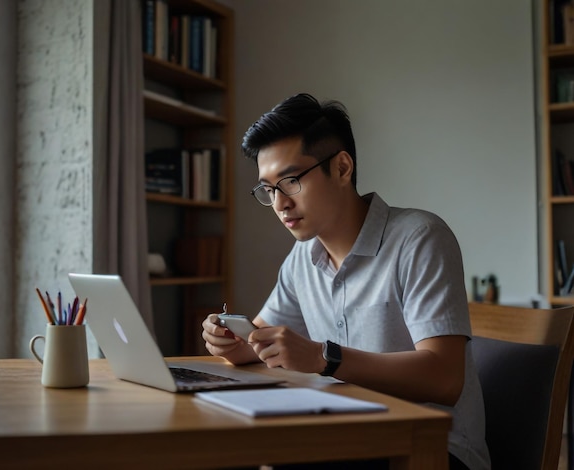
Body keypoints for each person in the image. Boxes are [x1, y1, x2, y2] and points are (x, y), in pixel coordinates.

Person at [202, 93, 490, 470]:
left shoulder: (420, 238)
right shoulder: (302, 259)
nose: (279, 203)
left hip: (431, 451)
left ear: (341, 168)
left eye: (290, 181)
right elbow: (257, 342)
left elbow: (444, 378)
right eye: (268, 189)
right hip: (348, 438)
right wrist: (227, 339)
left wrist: (324, 358)